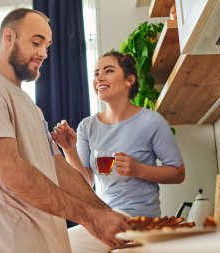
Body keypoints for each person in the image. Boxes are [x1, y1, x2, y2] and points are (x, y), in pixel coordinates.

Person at [0, 8, 130, 253]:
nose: (44, 53)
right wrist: (91, 219)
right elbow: (11, 171)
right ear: (9, 38)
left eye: (47, 46)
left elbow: (58, 168)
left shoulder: (32, 107)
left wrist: (105, 213)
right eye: (37, 42)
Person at [51, 51, 185, 252]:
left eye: (109, 71)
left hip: (140, 220)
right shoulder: (87, 126)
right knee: (55, 243)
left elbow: (178, 172)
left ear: (129, 80)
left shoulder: (151, 121)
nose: (99, 78)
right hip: (104, 218)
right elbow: (86, 182)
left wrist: (139, 169)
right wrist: (69, 150)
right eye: (96, 73)